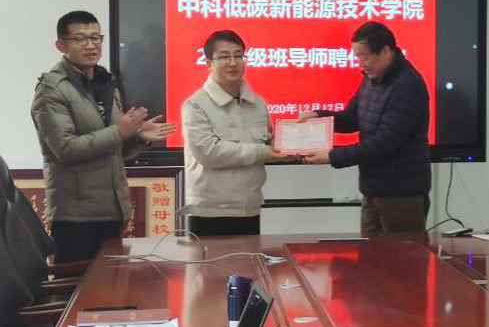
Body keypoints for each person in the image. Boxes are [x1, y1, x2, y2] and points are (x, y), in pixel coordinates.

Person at [32, 10, 175, 263]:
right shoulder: (52, 91)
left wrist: (138, 138)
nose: (91, 46)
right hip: (75, 215)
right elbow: (66, 149)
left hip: (112, 209)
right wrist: (120, 131)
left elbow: (115, 149)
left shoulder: (105, 84)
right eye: (80, 39)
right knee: (77, 284)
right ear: (61, 45)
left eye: (96, 38)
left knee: (111, 284)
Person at [298, 22, 431, 233]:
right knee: (369, 253)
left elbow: (383, 143)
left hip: (401, 193)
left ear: (385, 51)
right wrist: (319, 117)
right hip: (373, 189)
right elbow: (353, 117)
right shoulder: (372, 78)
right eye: (357, 57)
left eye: (365, 57)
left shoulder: (407, 85)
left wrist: (332, 156)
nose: (361, 63)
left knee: (403, 253)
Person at [181, 30, 290, 235]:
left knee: (250, 257)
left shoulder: (258, 103)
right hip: (210, 212)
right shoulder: (195, 105)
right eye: (224, 57)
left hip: (250, 208)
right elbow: (208, 153)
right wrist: (262, 152)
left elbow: (268, 144)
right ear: (209, 63)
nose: (233, 63)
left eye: (238, 56)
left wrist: (292, 149)